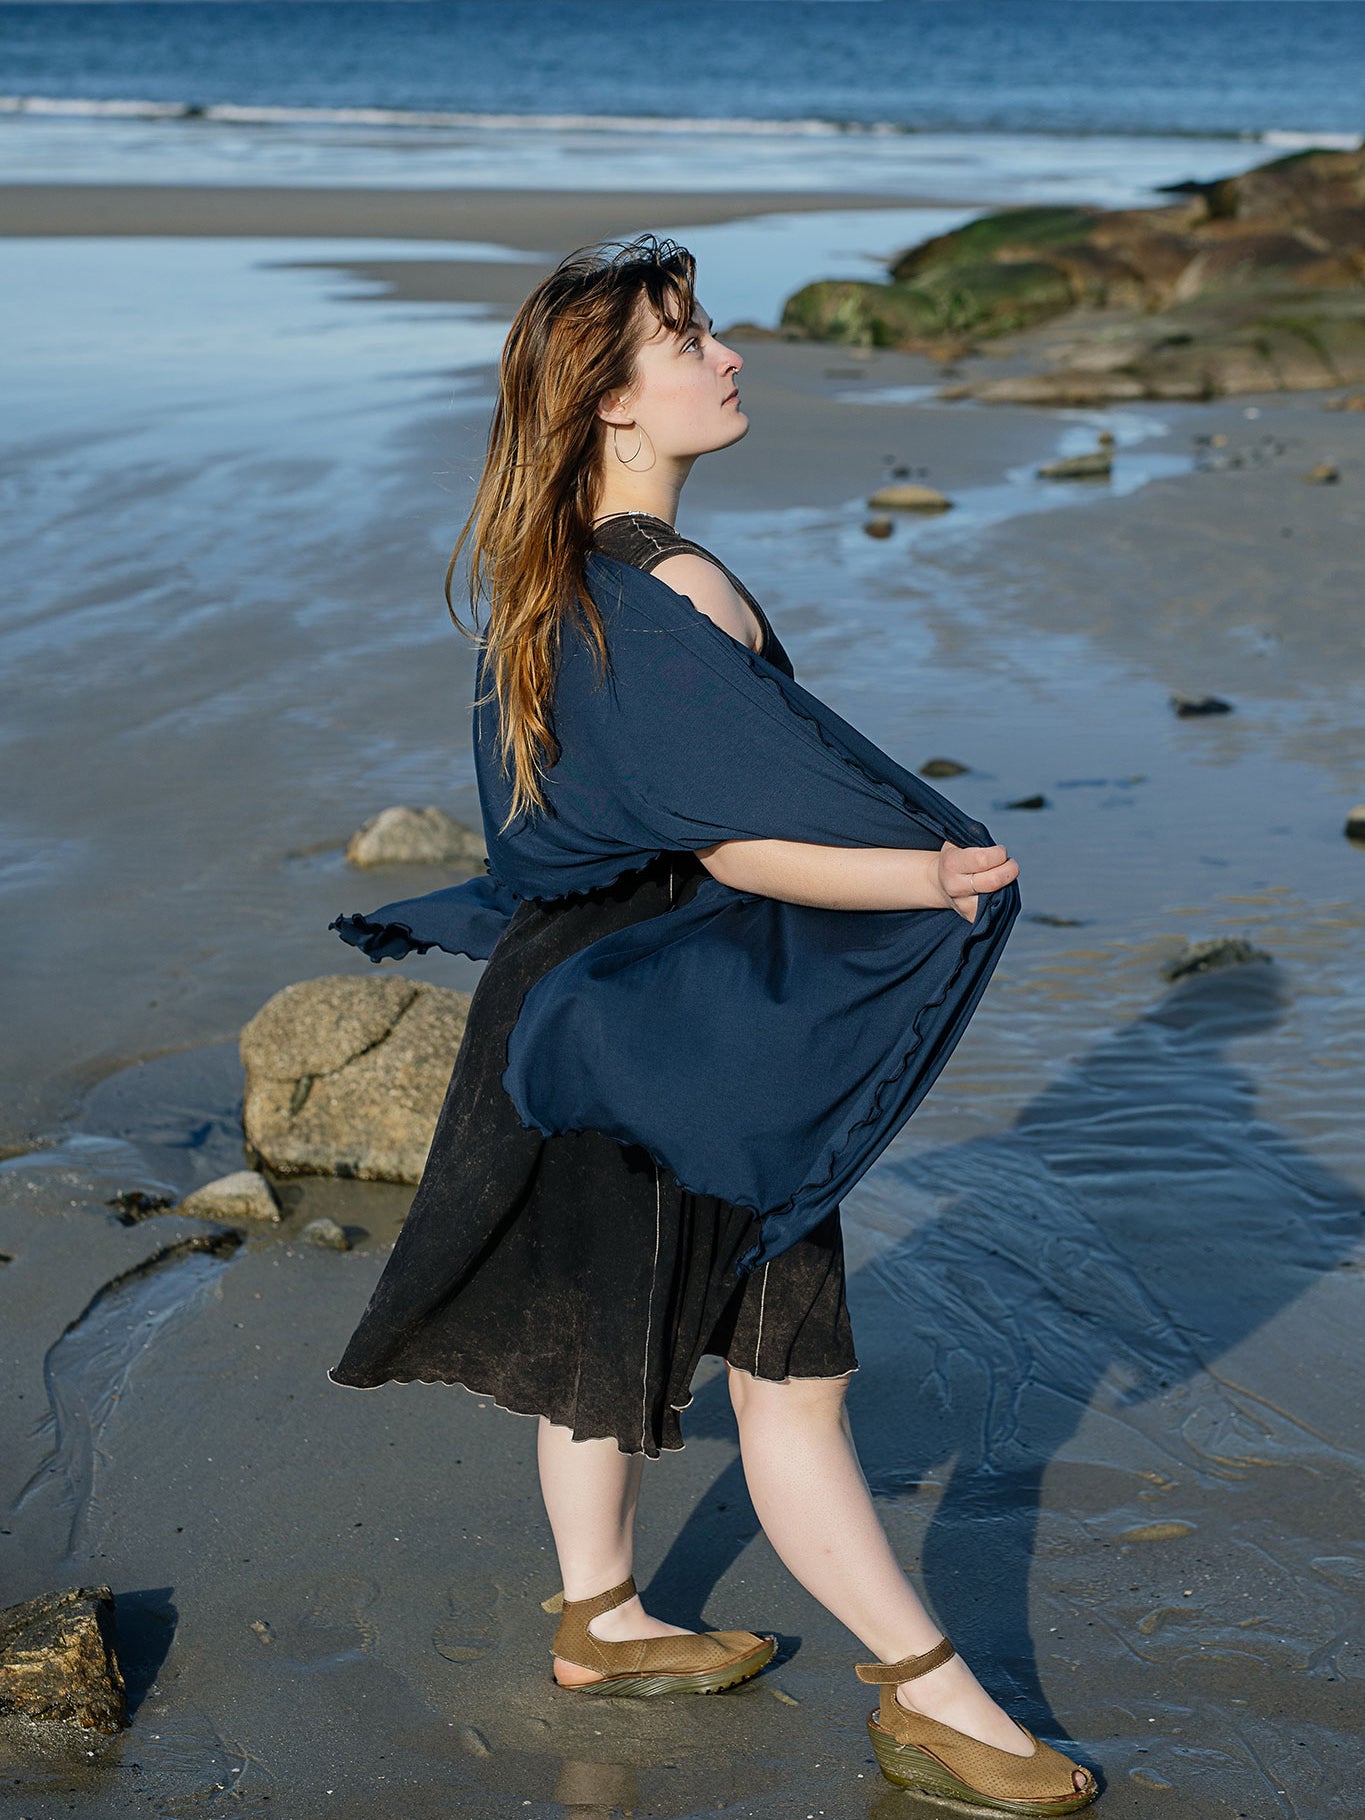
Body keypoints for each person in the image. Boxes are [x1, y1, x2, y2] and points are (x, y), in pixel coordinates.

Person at [328, 236, 1098, 1814]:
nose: (725, 356)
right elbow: (737, 840)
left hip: (563, 1011)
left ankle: (600, 1618)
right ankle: (934, 1701)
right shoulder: (674, 585)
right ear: (610, 404)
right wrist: (926, 873)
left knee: (597, 1356)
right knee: (787, 1380)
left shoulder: (553, 587)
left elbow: (627, 817)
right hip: (675, 1033)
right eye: (686, 339)